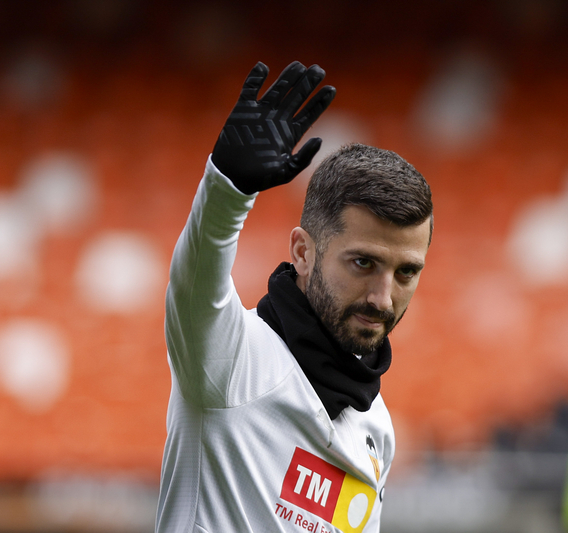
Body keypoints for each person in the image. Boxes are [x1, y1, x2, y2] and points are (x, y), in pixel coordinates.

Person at [155, 60, 434, 533]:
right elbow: (195, 283)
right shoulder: (230, 359)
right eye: (363, 263)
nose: (383, 299)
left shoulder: (376, 426)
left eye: (406, 272)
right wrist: (227, 190)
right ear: (303, 252)